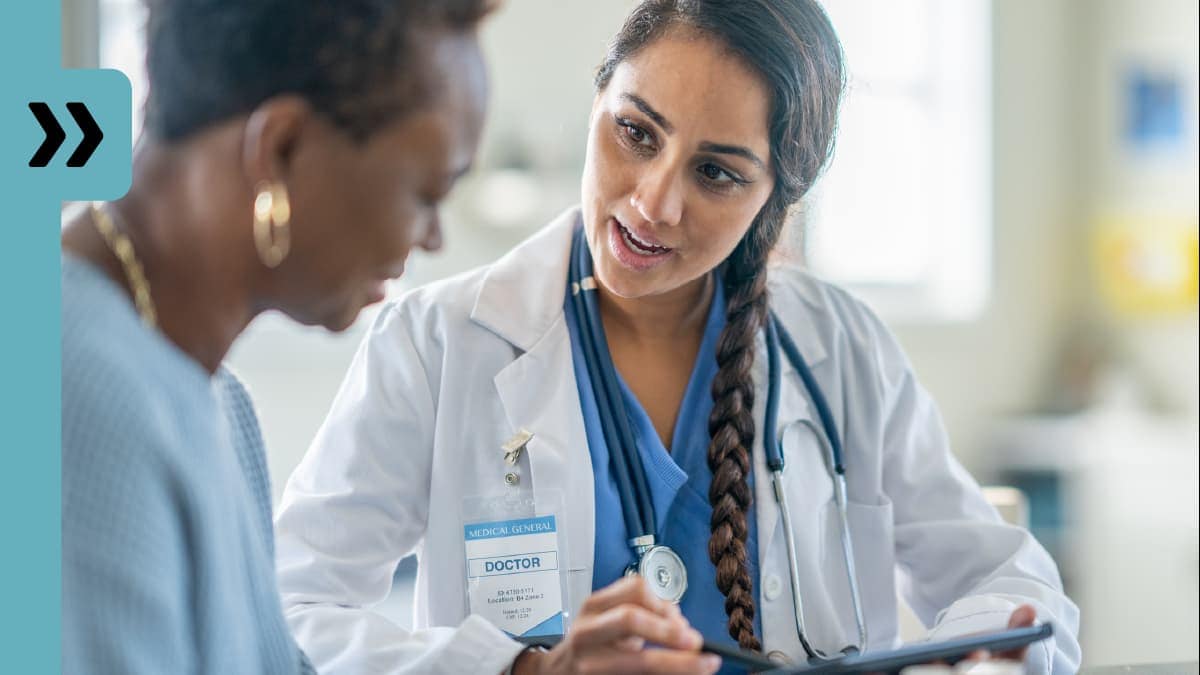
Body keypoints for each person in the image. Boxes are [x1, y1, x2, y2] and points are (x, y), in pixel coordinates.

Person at [274, 1, 1082, 673]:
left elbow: (1016, 585)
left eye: (717, 173)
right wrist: (524, 668)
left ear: (773, 201)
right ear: (599, 102)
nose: (654, 202)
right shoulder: (440, 342)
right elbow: (287, 604)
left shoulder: (841, 351)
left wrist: (985, 660)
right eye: (635, 133)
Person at [55, 0, 588, 672]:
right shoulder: (72, 394)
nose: (432, 237)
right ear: (279, 150)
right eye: (426, 194)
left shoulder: (220, 403)